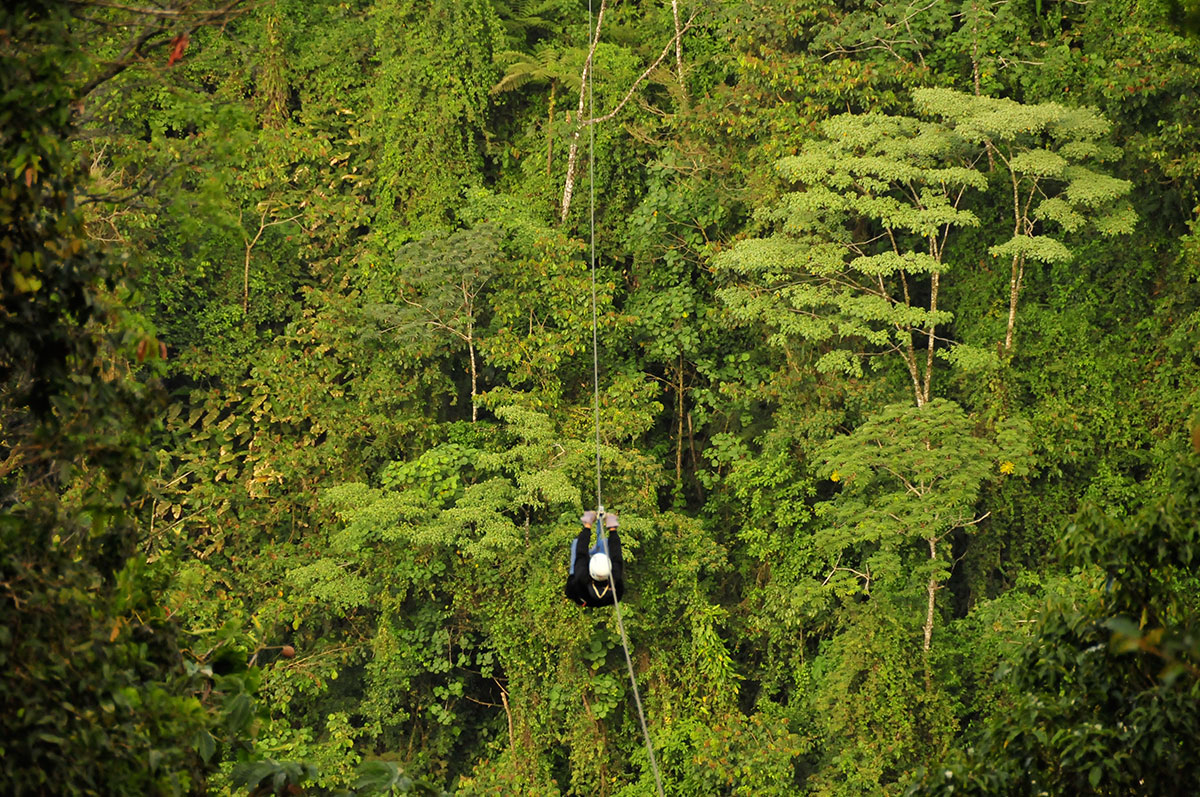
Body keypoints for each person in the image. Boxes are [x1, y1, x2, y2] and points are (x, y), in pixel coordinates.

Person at [564, 509, 625, 608]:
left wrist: (588, 525)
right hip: (595, 591)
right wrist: (612, 527)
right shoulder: (615, 578)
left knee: (576, 543)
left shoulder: (581, 578)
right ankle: (598, 547)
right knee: (604, 542)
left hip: (581, 586)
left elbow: (581, 552)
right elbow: (616, 553)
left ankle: (595, 547)